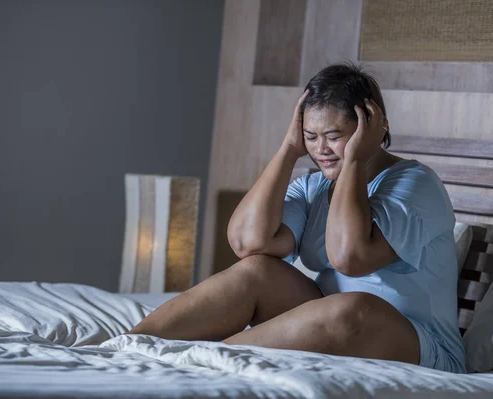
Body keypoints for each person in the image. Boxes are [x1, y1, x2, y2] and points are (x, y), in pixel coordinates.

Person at [128, 64, 466, 373]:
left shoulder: (415, 184)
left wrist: (352, 162)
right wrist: (289, 149)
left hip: (420, 347)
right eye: (311, 136)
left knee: (353, 307)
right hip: (329, 322)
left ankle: (197, 361)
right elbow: (248, 242)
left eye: (334, 137)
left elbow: (350, 257)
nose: (321, 150)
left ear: (374, 127)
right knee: (258, 269)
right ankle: (126, 347)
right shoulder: (313, 186)